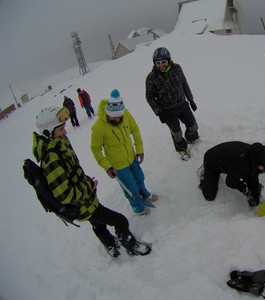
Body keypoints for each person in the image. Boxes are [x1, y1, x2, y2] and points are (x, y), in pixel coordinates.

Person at [33, 106, 151, 257]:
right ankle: (131, 245)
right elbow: (65, 194)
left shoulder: (59, 144)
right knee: (120, 221)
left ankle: (111, 247)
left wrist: (86, 181)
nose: (66, 132)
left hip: (85, 198)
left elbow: (72, 171)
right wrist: (88, 186)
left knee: (97, 223)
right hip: (80, 204)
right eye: (61, 129)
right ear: (48, 132)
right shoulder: (51, 158)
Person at [91, 89, 158, 215]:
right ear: (107, 113)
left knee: (139, 178)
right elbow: (95, 149)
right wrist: (107, 167)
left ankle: (144, 194)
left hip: (132, 157)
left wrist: (139, 150)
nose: (117, 119)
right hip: (118, 166)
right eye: (114, 117)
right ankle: (138, 209)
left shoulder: (125, 114)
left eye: (119, 117)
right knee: (130, 188)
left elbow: (135, 129)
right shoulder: (99, 127)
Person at [145, 47, 199, 160]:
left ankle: (192, 139)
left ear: (168, 60)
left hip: (182, 104)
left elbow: (184, 84)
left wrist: (191, 99)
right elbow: (149, 97)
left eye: (163, 62)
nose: (161, 65)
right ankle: (182, 151)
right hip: (167, 111)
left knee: (193, 126)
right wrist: (159, 112)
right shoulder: (151, 77)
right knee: (177, 134)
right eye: (158, 63)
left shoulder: (177, 68)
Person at [199, 141, 265, 207]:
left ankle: (226, 167)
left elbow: (253, 176)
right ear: (261, 167)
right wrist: (245, 190)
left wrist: (255, 194)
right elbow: (230, 182)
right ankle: (204, 171)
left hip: (229, 161)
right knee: (209, 196)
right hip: (211, 161)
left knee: (254, 198)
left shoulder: (259, 156)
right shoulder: (241, 164)